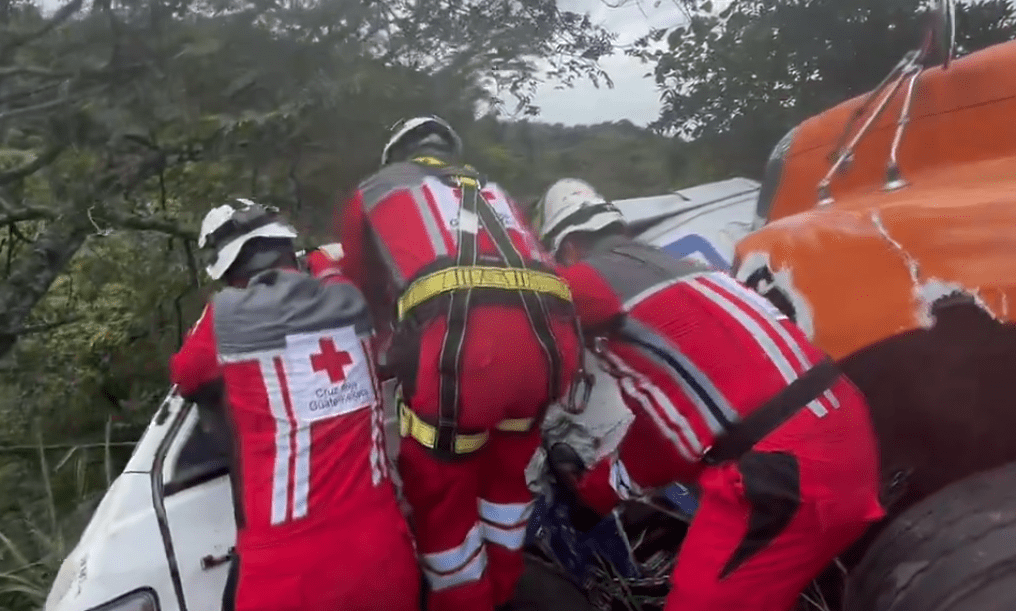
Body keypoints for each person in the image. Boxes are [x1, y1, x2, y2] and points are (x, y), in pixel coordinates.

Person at [536, 178, 887, 611]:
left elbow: (513, 322)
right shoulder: (687, 270)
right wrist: (598, 492)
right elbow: (664, 425)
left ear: (568, 248)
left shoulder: (587, 280)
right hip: (841, 434)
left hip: (785, 472)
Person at [332, 116, 584, 611]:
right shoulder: (495, 190)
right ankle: (506, 588)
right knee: (507, 480)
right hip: (549, 352)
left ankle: (466, 603)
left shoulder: (376, 190)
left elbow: (361, 287)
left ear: (397, 156)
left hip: (465, 360)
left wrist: (390, 346)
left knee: (442, 497)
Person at [169, 198, 420, 611]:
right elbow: (327, 267)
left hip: (289, 577)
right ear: (289, 249)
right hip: (385, 554)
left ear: (228, 271)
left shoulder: (225, 318)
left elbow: (185, 374)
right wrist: (320, 260)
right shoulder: (348, 298)